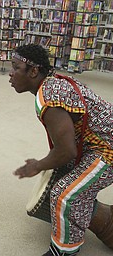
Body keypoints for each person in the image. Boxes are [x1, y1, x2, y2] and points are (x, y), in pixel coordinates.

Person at [10, 44, 113, 256]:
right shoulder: (51, 83)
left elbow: (67, 151)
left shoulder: (48, 97)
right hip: (94, 142)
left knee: (65, 193)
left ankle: (64, 250)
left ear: (33, 71)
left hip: (107, 148)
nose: (10, 74)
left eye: (15, 67)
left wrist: (37, 166)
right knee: (62, 175)